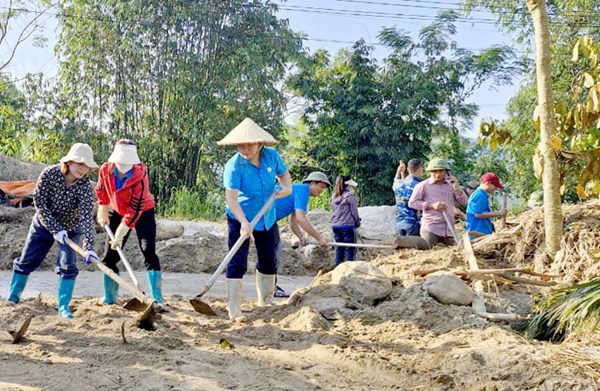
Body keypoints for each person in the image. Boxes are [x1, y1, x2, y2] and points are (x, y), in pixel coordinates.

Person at [7, 143, 99, 318]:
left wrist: (89, 247)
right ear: (69, 162)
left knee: (68, 265)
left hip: (71, 228)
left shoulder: (85, 188)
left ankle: (63, 307)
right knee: (27, 260)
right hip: (43, 223)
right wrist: (55, 229)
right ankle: (13, 298)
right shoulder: (49, 174)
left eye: (86, 166)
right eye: (80, 164)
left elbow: (87, 217)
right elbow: (39, 203)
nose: (83, 169)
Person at [219, 118, 292, 321]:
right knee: (238, 261)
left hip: (267, 216)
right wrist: (243, 222)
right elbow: (231, 200)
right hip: (239, 216)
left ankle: (265, 302)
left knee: (269, 259)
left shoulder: (272, 157)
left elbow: (286, 178)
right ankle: (234, 307)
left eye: (249, 144)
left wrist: (285, 189)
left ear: (260, 143)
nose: (245, 148)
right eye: (240, 144)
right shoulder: (233, 166)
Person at [96, 139, 164, 307]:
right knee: (110, 255)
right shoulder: (105, 170)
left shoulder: (140, 176)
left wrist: (122, 232)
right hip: (118, 211)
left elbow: (135, 209)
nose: (124, 164)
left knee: (148, 250)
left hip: (143, 212)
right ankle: (109, 297)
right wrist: (102, 209)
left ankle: (157, 298)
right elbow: (102, 191)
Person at [274, 171, 331, 296]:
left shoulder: (298, 190)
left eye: (324, 188)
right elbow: (301, 218)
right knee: (273, 253)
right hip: (263, 219)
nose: (322, 190)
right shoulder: (302, 191)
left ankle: (271, 287)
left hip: (268, 221)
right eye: (321, 186)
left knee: (274, 251)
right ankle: (270, 289)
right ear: (312, 183)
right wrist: (319, 238)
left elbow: (293, 220)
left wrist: (301, 237)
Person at [408, 158, 467, 247]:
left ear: (445, 172)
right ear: (429, 172)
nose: (437, 174)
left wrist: (457, 188)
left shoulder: (451, 185)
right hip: (431, 228)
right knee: (427, 252)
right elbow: (412, 203)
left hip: (449, 229)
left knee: (458, 252)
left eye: (441, 171)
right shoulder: (422, 186)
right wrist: (431, 205)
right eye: (434, 171)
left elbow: (464, 202)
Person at [330, 175, 361, 266]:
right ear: (348, 185)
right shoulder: (350, 196)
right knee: (349, 248)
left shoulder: (333, 197)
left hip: (335, 225)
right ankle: (348, 268)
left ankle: (337, 267)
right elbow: (354, 212)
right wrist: (357, 222)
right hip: (347, 225)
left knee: (339, 248)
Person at [466, 173, 507, 238]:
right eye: (495, 186)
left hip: (481, 230)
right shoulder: (480, 195)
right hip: (478, 232)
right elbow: (478, 214)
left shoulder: (480, 194)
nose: (495, 188)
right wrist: (499, 213)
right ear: (488, 183)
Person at [393, 159, 423, 236]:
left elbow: (395, 182)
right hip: (413, 223)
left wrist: (399, 171)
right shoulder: (420, 185)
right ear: (420, 170)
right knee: (414, 247)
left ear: (408, 169)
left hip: (399, 224)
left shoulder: (399, 183)